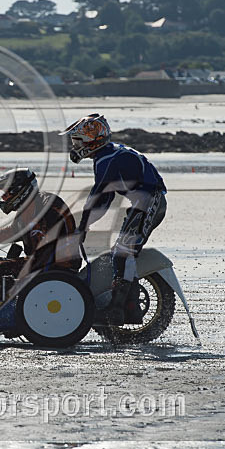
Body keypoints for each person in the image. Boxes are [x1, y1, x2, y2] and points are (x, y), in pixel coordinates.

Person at [60, 113, 167, 325]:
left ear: (92, 140)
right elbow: (105, 197)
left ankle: (122, 309)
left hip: (150, 202)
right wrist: (86, 224)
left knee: (122, 252)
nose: (74, 146)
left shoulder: (108, 159)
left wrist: (83, 226)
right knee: (121, 252)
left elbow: (99, 195)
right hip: (141, 203)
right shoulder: (106, 155)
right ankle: (125, 306)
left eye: (77, 141)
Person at [0, 168, 81, 280]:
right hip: (43, 262)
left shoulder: (49, 206)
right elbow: (13, 232)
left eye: (6, 192)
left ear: (19, 190)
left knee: (1, 268)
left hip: (60, 265)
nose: (3, 197)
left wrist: (18, 265)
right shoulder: (25, 209)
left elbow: (48, 251)